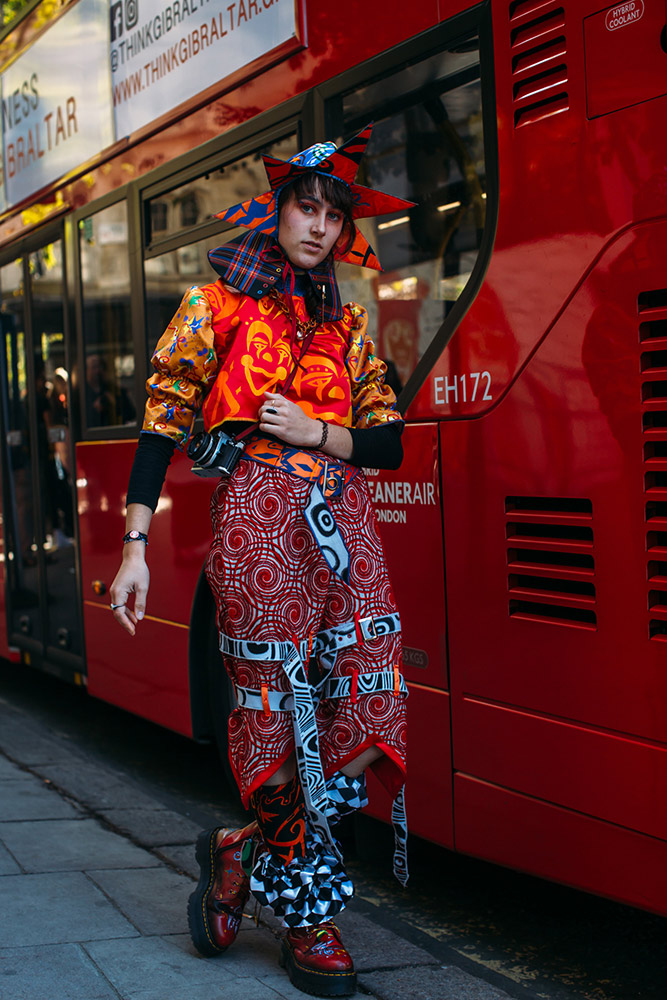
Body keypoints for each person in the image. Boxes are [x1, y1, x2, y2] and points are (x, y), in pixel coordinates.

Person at [110, 124, 413, 998]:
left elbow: (387, 442)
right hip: (256, 521)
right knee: (270, 710)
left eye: (330, 215)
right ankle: (311, 920)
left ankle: (240, 849)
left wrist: (317, 429)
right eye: (304, 207)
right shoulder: (215, 307)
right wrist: (134, 547)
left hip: (346, 518)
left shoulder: (348, 321)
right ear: (278, 212)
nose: (317, 226)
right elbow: (161, 422)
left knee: (371, 701)